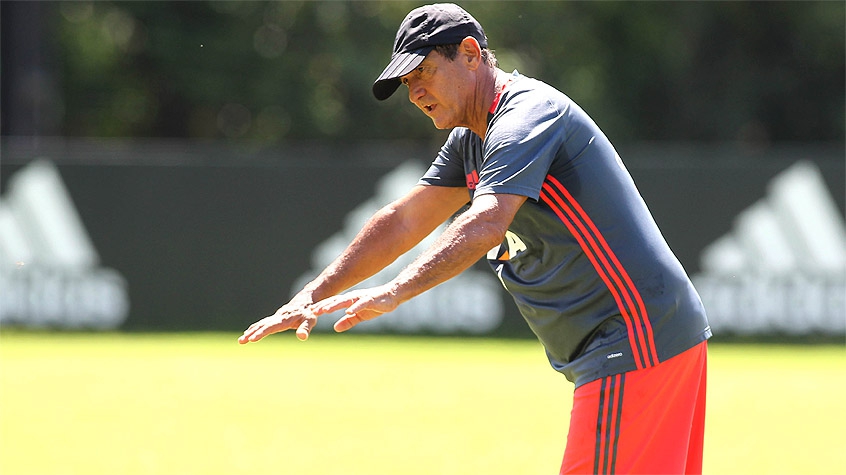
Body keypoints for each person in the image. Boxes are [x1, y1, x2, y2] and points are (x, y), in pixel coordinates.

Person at [239, 3, 712, 474]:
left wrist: (395, 291)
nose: (416, 93)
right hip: (640, 341)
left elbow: (486, 223)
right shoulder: (473, 137)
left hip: (633, 340)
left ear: (470, 53)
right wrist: (311, 294)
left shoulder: (527, 115)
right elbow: (405, 220)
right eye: (407, 82)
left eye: (422, 71)